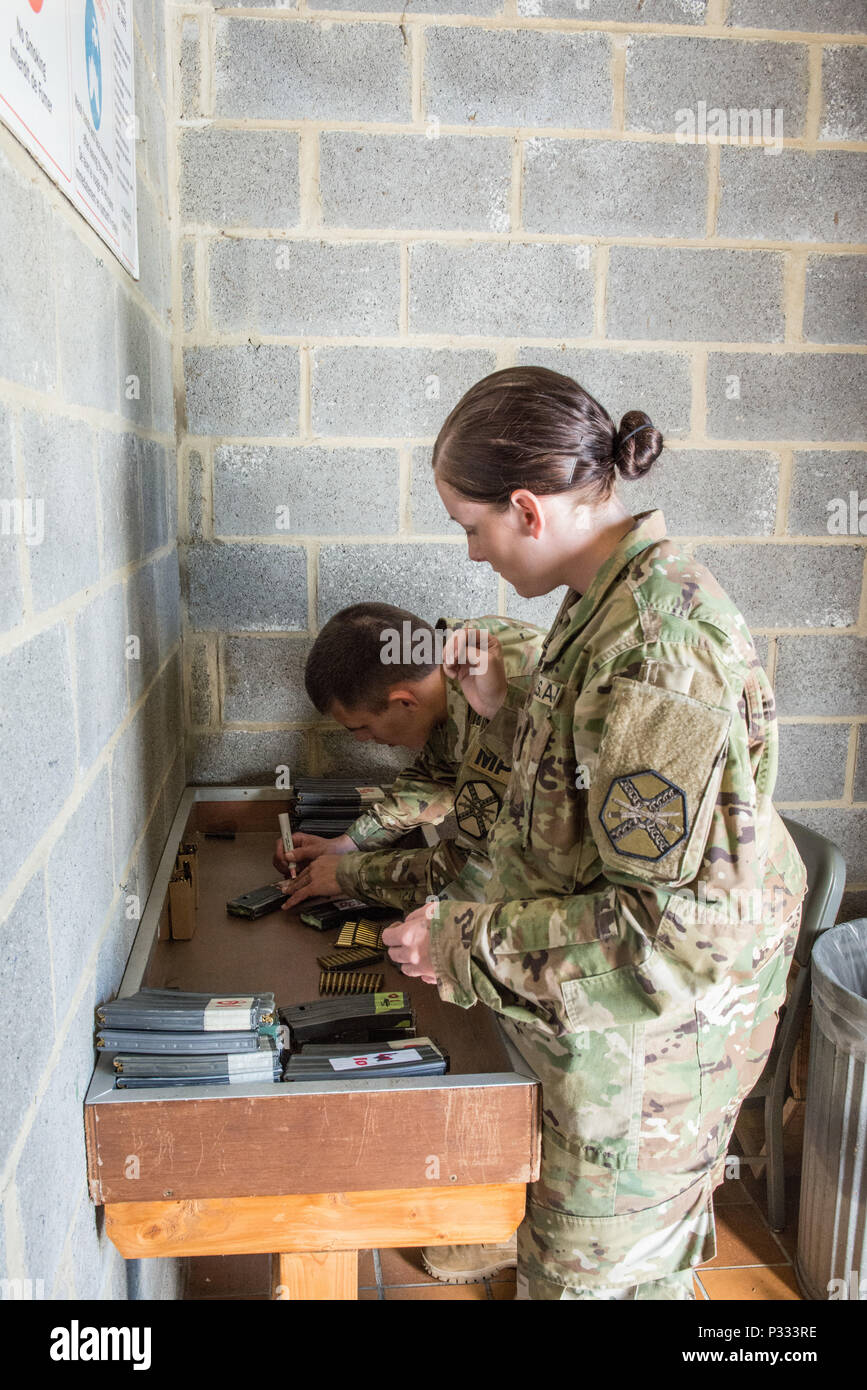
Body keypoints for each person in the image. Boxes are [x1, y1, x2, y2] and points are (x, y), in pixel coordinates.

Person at [381, 365, 808, 1300]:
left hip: (646, 1069)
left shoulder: (658, 646)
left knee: (589, 1287)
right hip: (612, 1044)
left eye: (472, 528)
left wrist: (463, 942)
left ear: (527, 510)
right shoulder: (600, 609)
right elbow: (586, 797)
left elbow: (668, 941)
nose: (470, 557)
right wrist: (503, 710)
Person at [276, 602, 544, 917]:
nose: (362, 739)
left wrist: (348, 873)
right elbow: (437, 776)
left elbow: (478, 871)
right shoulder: (443, 665)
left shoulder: (511, 701)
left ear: (405, 701)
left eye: (361, 728)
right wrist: (347, 844)